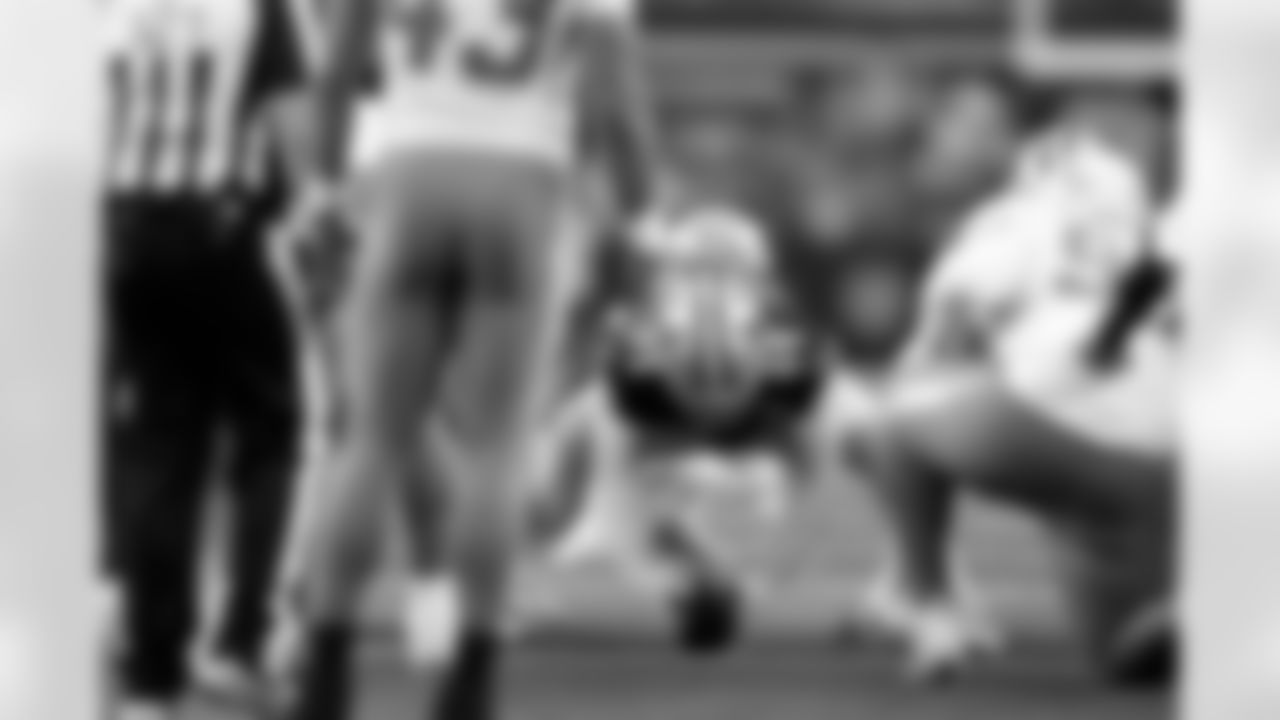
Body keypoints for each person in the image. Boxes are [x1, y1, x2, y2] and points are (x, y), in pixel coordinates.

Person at [269, 0, 667, 718]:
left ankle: (326, 663)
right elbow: (618, 111)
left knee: (372, 442)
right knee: (498, 447)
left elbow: (333, 73)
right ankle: (471, 672)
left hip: (409, 173)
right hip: (524, 183)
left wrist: (324, 190)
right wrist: (644, 222)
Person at [848, 115, 1178, 685]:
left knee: (890, 420)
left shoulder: (1012, 222)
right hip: (1166, 458)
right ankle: (1188, 600)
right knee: (1124, 660)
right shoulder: (1159, 231)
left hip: (1046, 422)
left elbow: (940, 338)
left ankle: (928, 603)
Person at [525, 204, 881, 652]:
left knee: (885, 438)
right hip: (663, 423)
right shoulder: (631, 382)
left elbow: (814, 495)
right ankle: (492, 578)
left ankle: (922, 585)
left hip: (763, 416)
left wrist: (760, 577)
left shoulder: (798, 376)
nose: (711, 280)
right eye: (698, 268)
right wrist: (682, 582)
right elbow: (620, 506)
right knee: (545, 491)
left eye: (726, 268)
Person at [100, 0, 309, 717]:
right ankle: (240, 641)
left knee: (160, 448)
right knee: (271, 431)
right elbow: (289, 121)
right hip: (219, 224)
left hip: (125, 223)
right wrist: (312, 208)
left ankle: (150, 675)